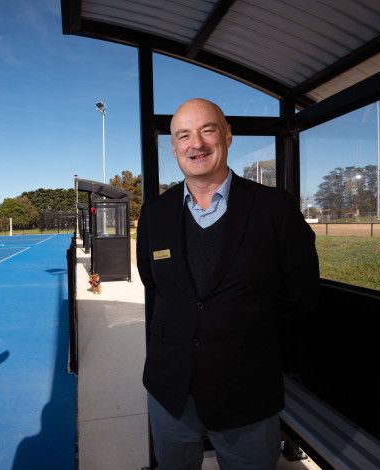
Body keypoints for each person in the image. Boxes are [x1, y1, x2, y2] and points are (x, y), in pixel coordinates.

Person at [136, 98, 319, 470]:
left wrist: (253, 347)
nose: (196, 144)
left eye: (207, 130)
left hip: (247, 394)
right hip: (171, 392)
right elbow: (154, 287)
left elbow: (301, 295)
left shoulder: (275, 208)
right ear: (173, 148)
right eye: (183, 135)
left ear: (228, 136)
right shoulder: (155, 213)